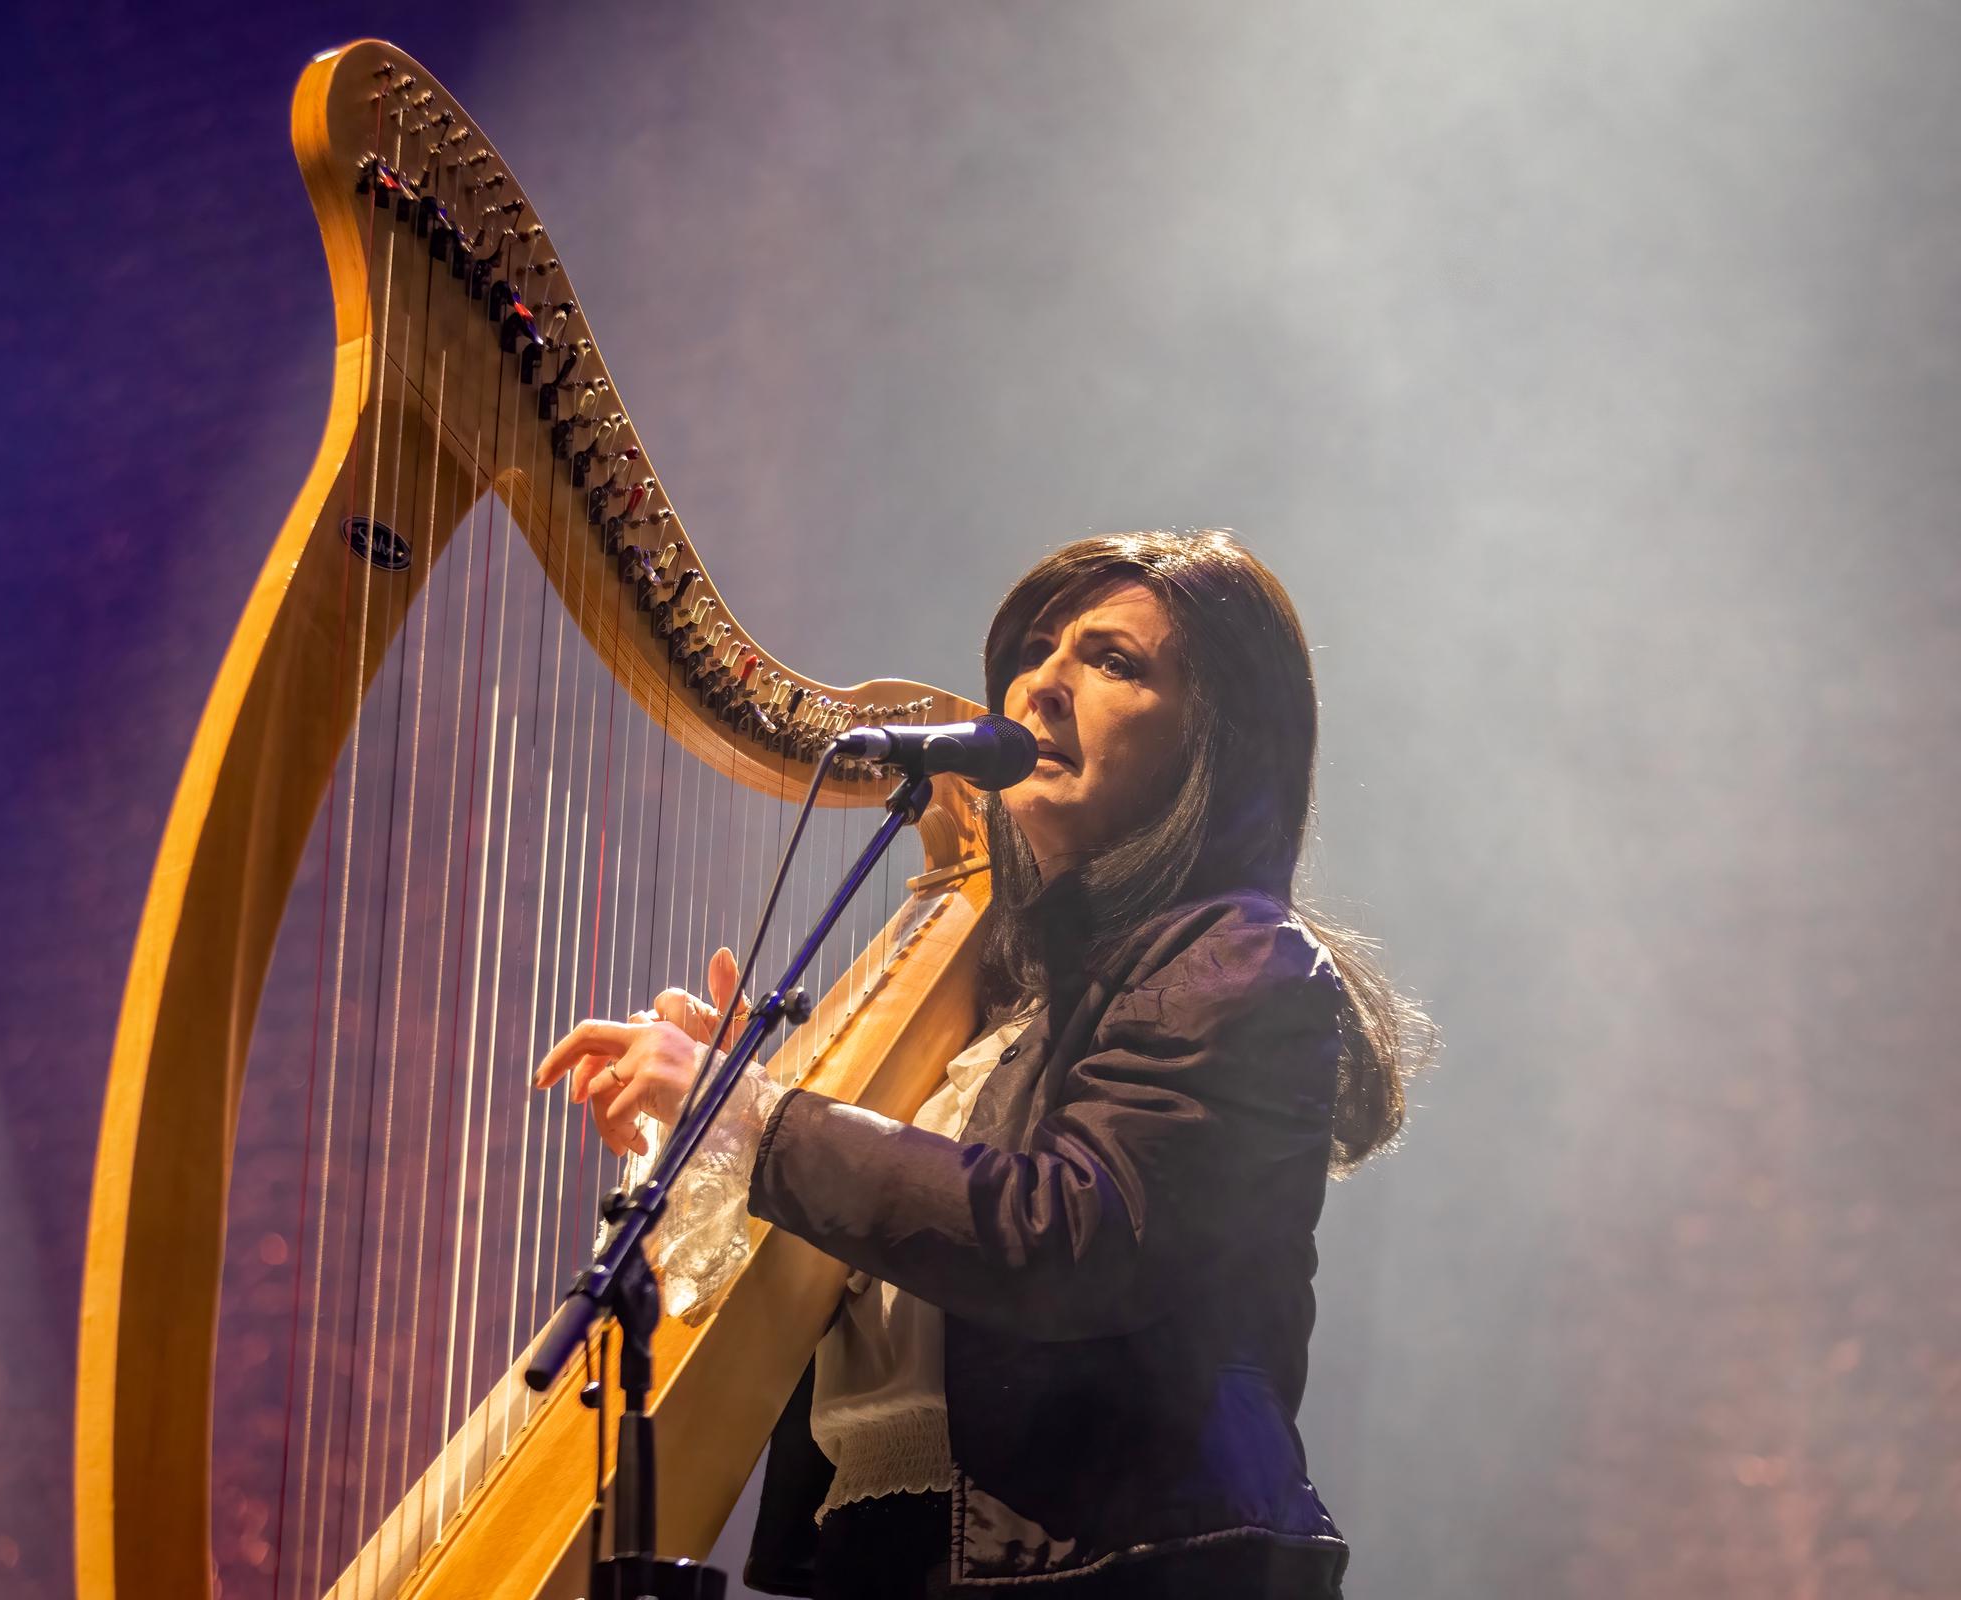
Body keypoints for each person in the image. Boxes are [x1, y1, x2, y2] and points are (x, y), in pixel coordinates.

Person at [533, 530, 1436, 1598]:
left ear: (1215, 741)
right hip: (896, 1552)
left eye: (1112, 661)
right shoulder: (998, 1013)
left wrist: (762, 1122)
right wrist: (712, 1118)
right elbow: (826, 1285)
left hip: (1120, 1568)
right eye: (1039, 647)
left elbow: (1064, 1235)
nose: (1042, 683)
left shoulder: (1243, 961)